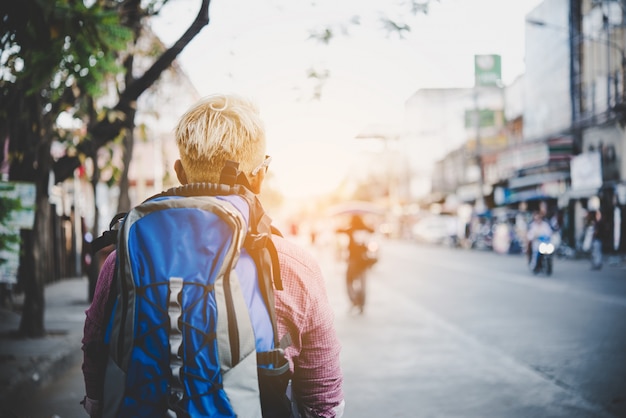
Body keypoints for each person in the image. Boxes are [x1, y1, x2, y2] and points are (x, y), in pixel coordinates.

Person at [81, 94, 345, 418]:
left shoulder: (124, 260)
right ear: (260, 176)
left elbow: (95, 355)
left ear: (179, 172)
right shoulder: (293, 267)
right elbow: (323, 400)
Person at [336, 214, 375, 313]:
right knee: (363, 283)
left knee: (349, 281)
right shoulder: (365, 229)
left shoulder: (350, 229)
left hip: (353, 260)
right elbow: (372, 231)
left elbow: (338, 231)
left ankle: (354, 300)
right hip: (363, 260)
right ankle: (362, 303)